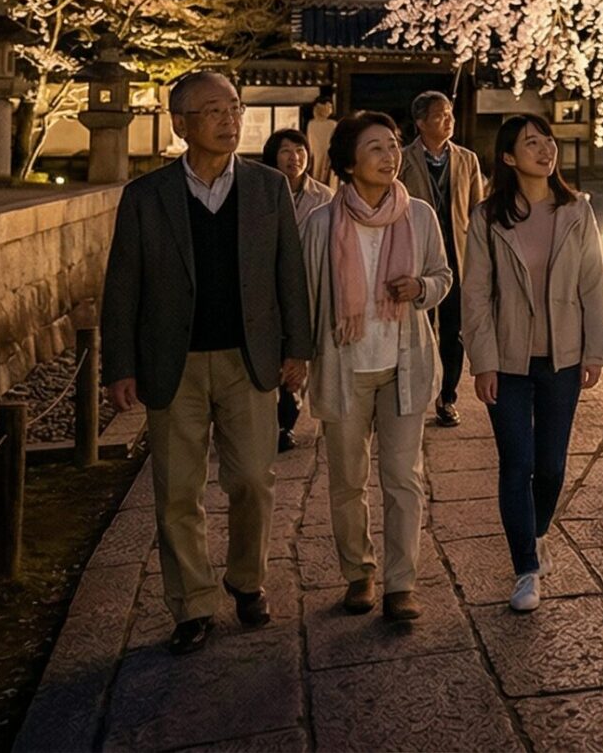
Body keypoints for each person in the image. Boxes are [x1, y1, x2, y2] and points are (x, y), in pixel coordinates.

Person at [100, 71, 313, 656]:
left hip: (249, 358)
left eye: (234, 108)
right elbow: (123, 285)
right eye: (213, 110)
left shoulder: (268, 187)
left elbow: (289, 273)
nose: (229, 120)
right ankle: (191, 604)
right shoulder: (147, 195)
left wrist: (297, 348)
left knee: (253, 480)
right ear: (180, 123)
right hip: (175, 361)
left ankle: (247, 580)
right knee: (177, 490)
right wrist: (120, 365)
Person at [300, 111, 452, 622]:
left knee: (403, 478)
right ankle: (358, 573)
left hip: (403, 365)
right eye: (376, 148)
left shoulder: (419, 216)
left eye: (392, 146)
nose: (390, 157)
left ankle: (401, 584)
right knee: (347, 481)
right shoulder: (321, 224)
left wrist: (421, 288)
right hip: (344, 366)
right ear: (348, 163)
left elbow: (443, 276)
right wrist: (297, 359)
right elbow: (307, 296)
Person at [462, 114, 603, 612]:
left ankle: (537, 531)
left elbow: (593, 284)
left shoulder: (576, 210)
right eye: (531, 143)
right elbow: (476, 294)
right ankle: (525, 568)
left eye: (547, 140)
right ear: (508, 157)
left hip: (562, 359)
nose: (546, 149)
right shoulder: (487, 217)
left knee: (551, 467)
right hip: (507, 360)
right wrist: (482, 362)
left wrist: (594, 351)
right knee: (516, 463)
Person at [398, 91, 482, 427]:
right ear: (420, 122)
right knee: (416, 331)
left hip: (457, 257)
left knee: (453, 332)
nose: (448, 120)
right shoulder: (403, 160)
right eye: (439, 115)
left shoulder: (467, 159)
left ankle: (447, 397)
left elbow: (477, 211)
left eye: (450, 114)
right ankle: (413, 395)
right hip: (417, 257)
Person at [264, 128, 336, 451]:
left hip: (308, 287)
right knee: (273, 355)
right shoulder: (261, 192)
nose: (294, 158)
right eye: (286, 151)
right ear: (273, 156)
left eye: (300, 151)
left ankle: (286, 423)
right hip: (268, 290)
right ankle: (271, 419)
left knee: (300, 354)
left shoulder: (325, 197)